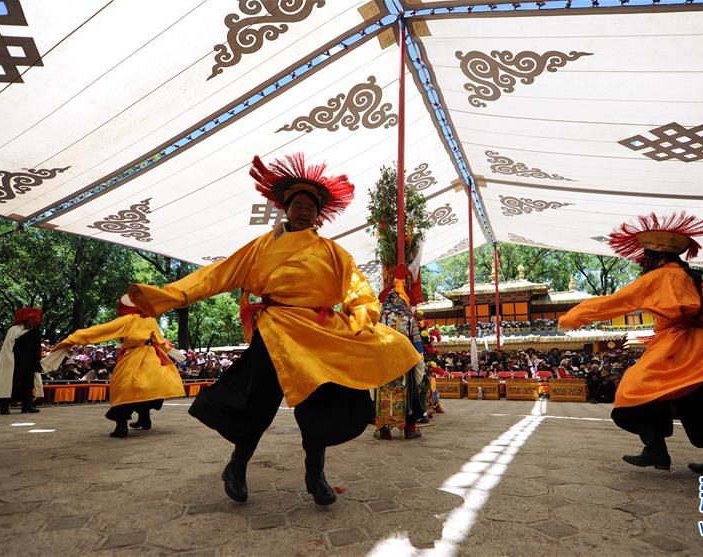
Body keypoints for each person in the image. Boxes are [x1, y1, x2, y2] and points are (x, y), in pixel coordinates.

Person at [126, 153, 421, 505]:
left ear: (318, 215)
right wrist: (166, 297)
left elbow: (360, 291)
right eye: (297, 204)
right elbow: (215, 276)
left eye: (310, 208)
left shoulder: (333, 252)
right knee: (257, 401)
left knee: (320, 404)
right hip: (276, 329)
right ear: (286, 208)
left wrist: (360, 316)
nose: (303, 211)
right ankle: (236, 466)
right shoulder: (260, 248)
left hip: (319, 332)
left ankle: (316, 475)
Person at [558, 213, 703, 474]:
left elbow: (614, 302)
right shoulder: (695, 279)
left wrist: (571, 318)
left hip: (677, 345)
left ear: (656, 258)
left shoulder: (658, 278)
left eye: (644, 259)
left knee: (635, 389)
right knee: (699, 399)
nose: (641, 264)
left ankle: (656, 449)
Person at [41, 296, 185, 438]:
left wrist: (72, 339)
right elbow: (160, 341)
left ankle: (121, 426)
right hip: (152, 358)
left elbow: (100, 330)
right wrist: (171, 350)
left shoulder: (128, 319)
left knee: (122, 389)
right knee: (146, 388)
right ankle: (144, 419)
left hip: (134, 356)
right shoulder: (150, 318)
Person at [0, 307, 44, 414]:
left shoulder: (34, 332)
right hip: (14, 362)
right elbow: (8, 348)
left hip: (29, 363)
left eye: (35, 320)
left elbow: (36, 349)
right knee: (9, 383)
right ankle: (4, 407)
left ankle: (27, 405)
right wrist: (9, 361)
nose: (33, 322)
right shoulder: (14, 330)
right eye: (31, 320)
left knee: (28, 384)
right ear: (25, 320)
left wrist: (36, 362)